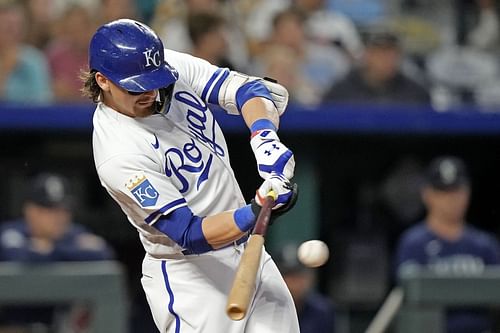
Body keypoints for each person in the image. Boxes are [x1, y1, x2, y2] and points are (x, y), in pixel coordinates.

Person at [81, 18, 299, 333]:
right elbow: (189, 233)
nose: (150, 91)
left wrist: (264, 138)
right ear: (102, 80)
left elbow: (246, 89)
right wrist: (255, 211)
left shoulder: (165, 67)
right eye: (137, 85)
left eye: (153, 79)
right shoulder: (118, 153)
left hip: (248, 253)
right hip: (192, 278)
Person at [394, 156, 500, 333]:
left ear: (468, 193)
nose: (451, 200)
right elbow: (405, 299)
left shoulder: (484, 244)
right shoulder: (413, 243)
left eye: (457, 191)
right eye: (443, 192)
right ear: (427, 194)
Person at [0, 172, 114, 330]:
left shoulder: (73, 233)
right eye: (50, 210)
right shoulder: (12, 232)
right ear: (31, 211)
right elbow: (17, 255)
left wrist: (50, 249)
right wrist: (67, 253)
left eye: (64, 209)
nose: (60, 217)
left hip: (61, 326)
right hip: (16, 325)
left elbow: (102, 254)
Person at [323, 27, 431, 106]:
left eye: (392, 53)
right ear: (367, 55)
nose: (387, 59)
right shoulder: (341, 92)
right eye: (380, 52)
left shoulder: (416, 93)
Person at [275, 243, 336, 333]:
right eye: (288, 275)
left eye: (299, 275)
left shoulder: (322, 311)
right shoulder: (261, 307)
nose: (294, 282)